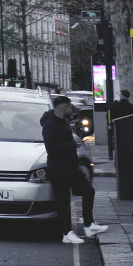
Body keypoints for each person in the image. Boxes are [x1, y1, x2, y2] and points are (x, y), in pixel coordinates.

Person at [44, 95, 107, 243]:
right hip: (58, 168)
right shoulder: (50, 124)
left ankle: (89, 225)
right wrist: (72, 145)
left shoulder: (62, 121)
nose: (71, 110)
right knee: (63, 202)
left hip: (70, 167)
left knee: (88, 191)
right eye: (70, 107)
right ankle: (66, 234)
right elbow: (51, 148)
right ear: (64, 108)